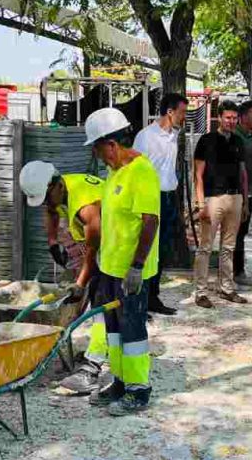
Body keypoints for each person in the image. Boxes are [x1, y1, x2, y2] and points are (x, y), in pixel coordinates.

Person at [85, 107, 159, 415]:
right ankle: (119, 380)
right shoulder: (114, 172)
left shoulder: (141, 172)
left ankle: (138, 389)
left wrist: (137, 267)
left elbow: (150, 221)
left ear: (112, 144)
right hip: (110, 267)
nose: (97, 156)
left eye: (97, 148)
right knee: (113, 329)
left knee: (132, 329)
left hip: (130, 270)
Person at [19, 160, 107, 395]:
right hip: (102, 242)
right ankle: (100, 352)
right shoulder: (61, 189)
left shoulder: (85, 206)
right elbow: (51, 211)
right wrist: (52, 242)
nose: (47, 204)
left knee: (102, 301)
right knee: (98, 297)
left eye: (46, 198)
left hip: (119, 245)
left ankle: (93, 366)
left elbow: (93, 250)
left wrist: (80, 283)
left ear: (56, 185)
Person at [134, 93, 189, 316]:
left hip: (168, 197)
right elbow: (135, 170)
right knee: (146, 248)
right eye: (182, 112)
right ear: (170, 112)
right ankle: (140, 298)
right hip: (149, 198)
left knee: (162, 249)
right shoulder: (145, 137)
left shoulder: (175, 135)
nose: (185, 117)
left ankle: (152, 296)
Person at [192, 100, 249, 308]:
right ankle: (201, 292)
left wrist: (244, 202)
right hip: (212, 199)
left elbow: (242, 173)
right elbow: (197, 175)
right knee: (205, 247)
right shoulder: (206, 140)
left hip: (235, 198)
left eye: (234, 118)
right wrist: (200, 205)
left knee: (228, 247)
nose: (231, 121)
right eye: (228, 117)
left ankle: (226, 288)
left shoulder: (238, 141)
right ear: (219, 117)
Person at [233, 100, 252, 286]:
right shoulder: (236, 138)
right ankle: (236, 272)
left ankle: (238, 270)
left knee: (241, 233)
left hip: (250, 192)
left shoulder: (250, 137)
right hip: (238, 194)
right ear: (243, 117)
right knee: (236, 234)